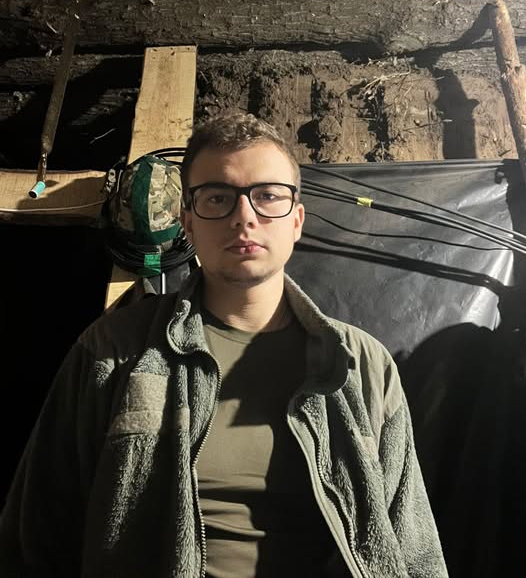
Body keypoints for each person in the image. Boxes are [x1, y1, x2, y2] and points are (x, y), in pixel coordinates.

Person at [0, 113, 448, 578]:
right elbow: (35, 535)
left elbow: (412, 543)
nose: (244, 216)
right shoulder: (114, 351)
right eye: (218, 197)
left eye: (268, 195)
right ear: (188, 223)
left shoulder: (361, 364)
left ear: (296, 220)